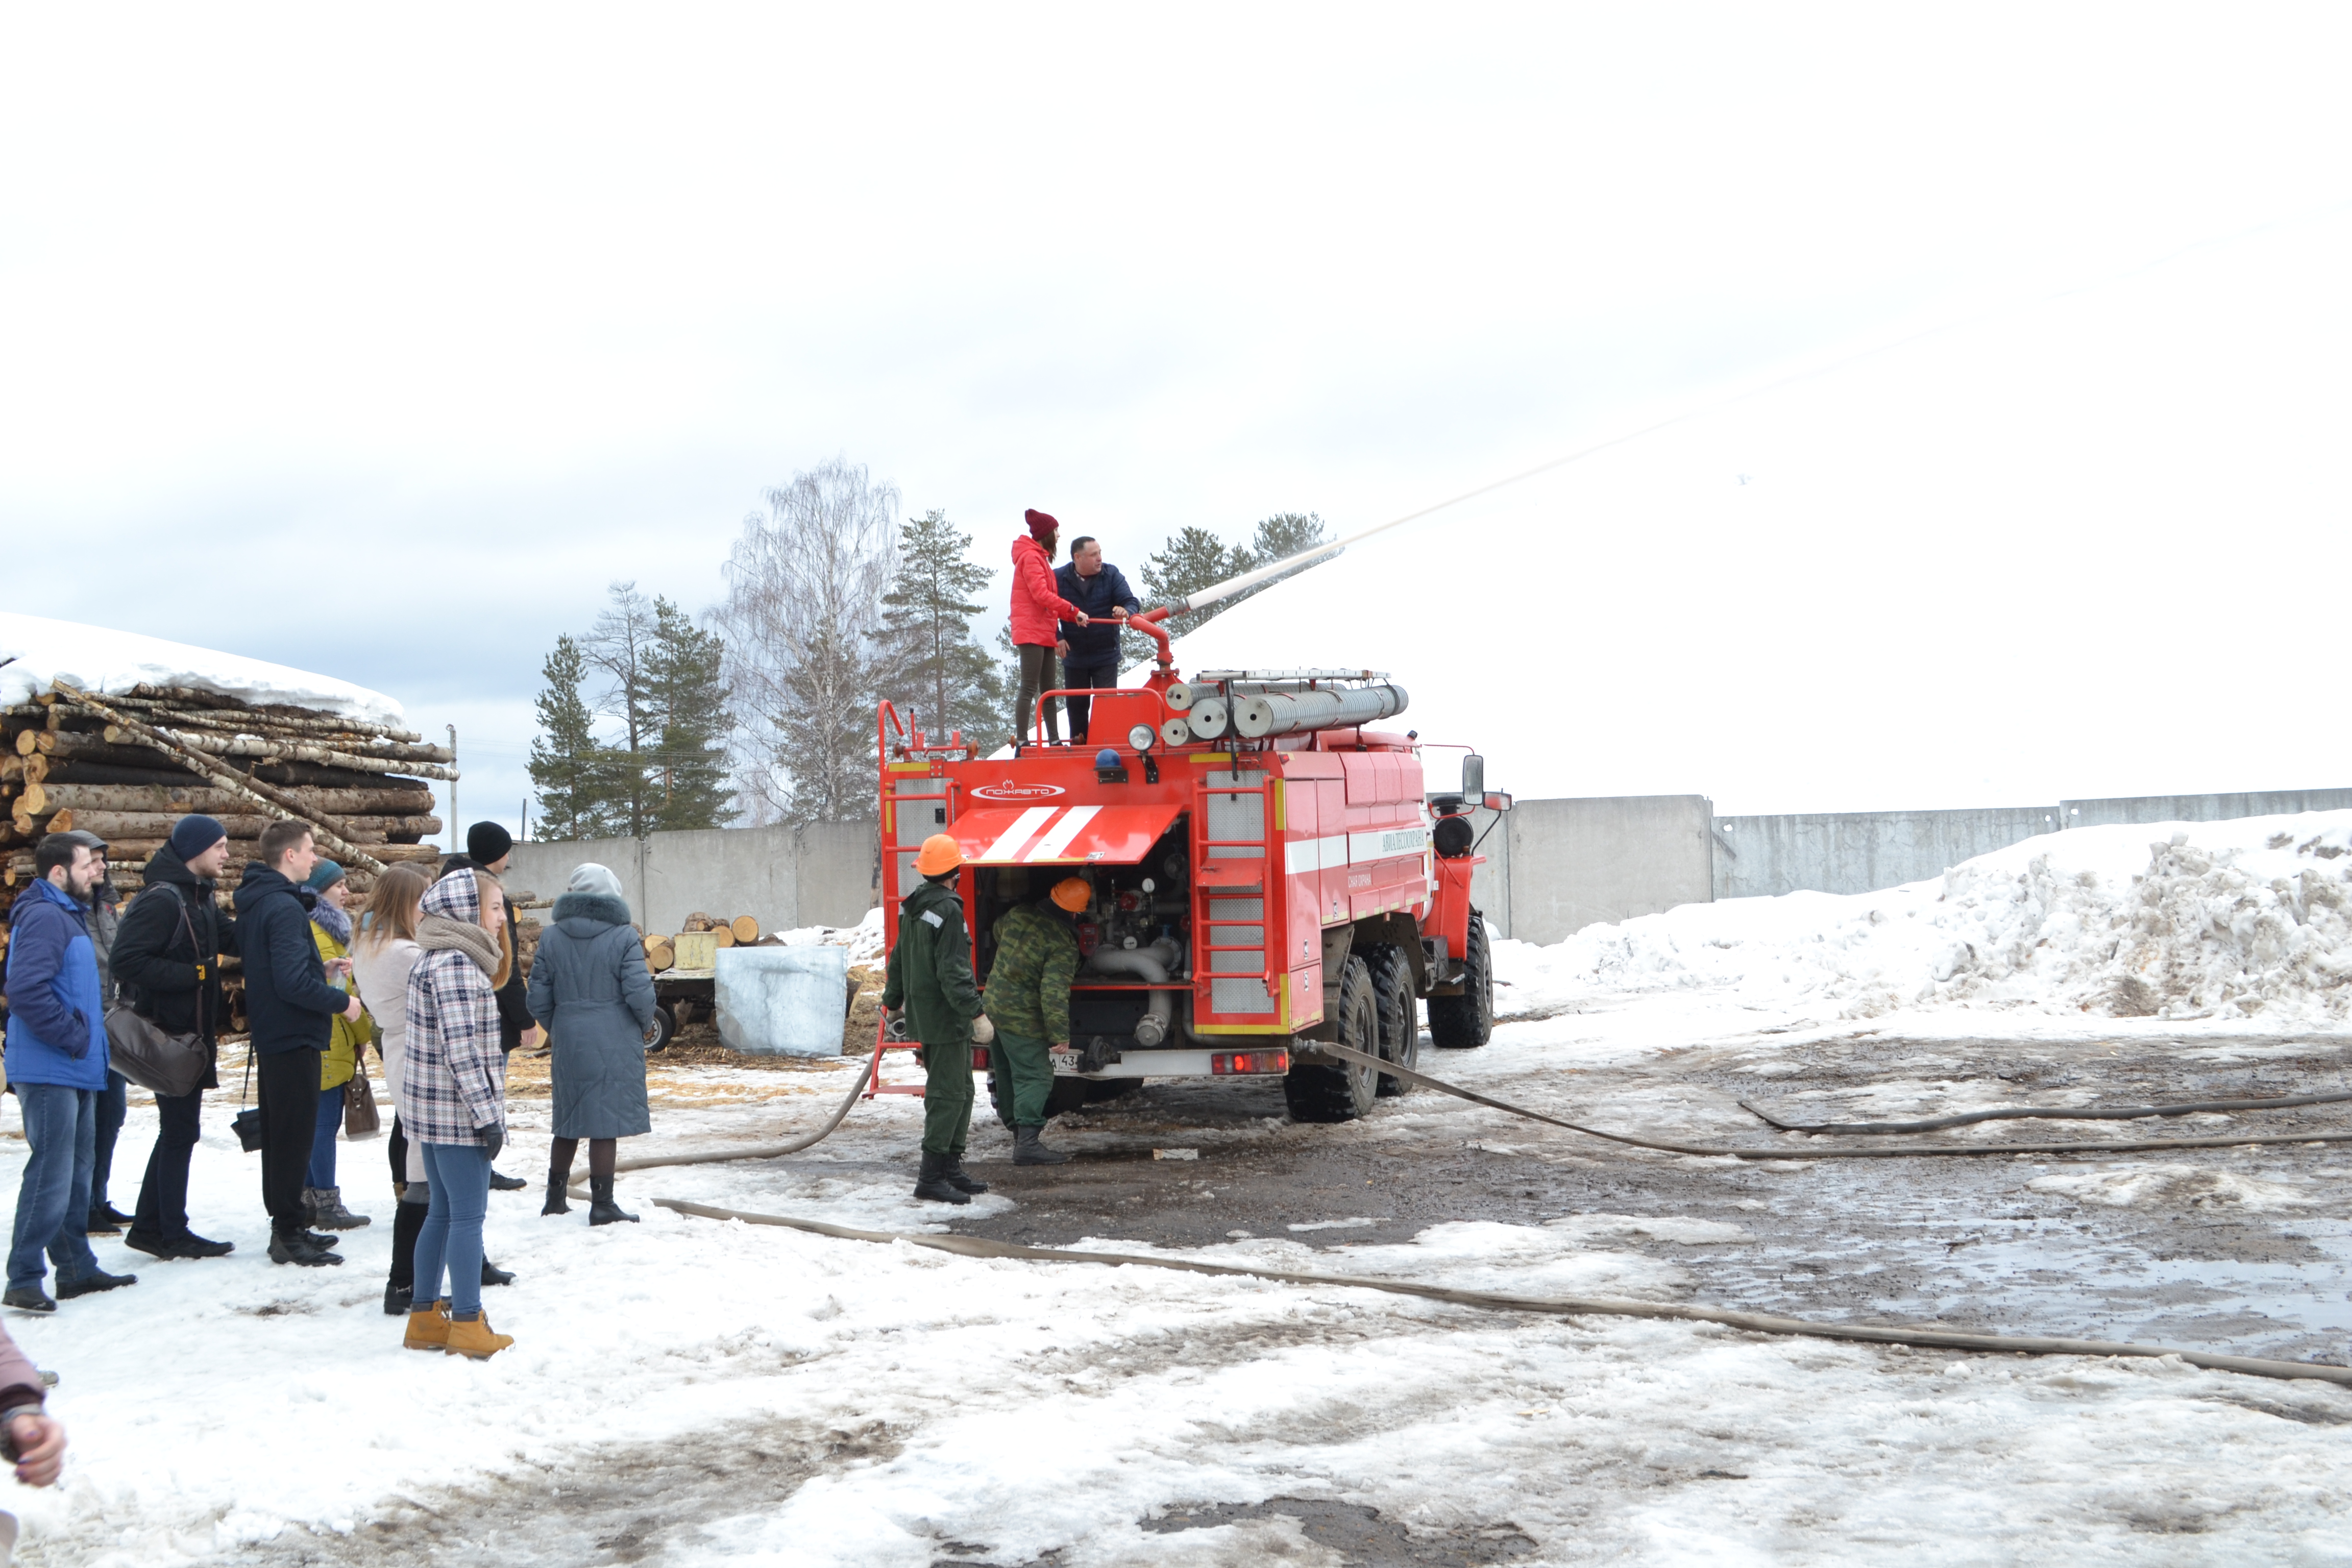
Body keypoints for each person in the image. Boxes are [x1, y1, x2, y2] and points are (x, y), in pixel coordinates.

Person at [3, 834, 135, 1310]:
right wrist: (77, 1036)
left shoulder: (70, 915)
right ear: (59, 872)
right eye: (89, 865)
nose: (98, 871)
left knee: (77, 1174)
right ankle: (23, 1275)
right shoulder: (43, 916)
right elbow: (25, 992)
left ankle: (76, 1267)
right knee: (51, 1175)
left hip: (77, 1066)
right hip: (49, 1067)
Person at [235, 819, 366, 1267]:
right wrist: (340, 1002)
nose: (315, 858)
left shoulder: (262, 901)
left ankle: (291, 1223)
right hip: (292, 1035)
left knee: (283, 1137)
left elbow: (277, 972)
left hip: (277, 1032)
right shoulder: (284, 907)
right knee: (292, 1138)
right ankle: (288, 1233)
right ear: (289, 855)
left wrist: (321, 972)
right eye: (310, 850)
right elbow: (290, 983)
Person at [399, 868, 516, 1359]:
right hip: (458, 1114)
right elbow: (463, 1051)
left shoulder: (433, 959)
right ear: (466, 910)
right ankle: (468, 1321)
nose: (501, 920)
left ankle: (426, 1318)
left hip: (432, 1113)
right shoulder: (459, 966)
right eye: (494, 908)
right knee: (468, 1218)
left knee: (442, 1214)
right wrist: (488, 1116)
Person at [113, 815, 237, 1262]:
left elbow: (234, 937)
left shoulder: (199, 898)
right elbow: (126, 960)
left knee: (179, 1131)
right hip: (169, 1037)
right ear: (195, 851)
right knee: (179, 1131)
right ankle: (169, 1230)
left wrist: (282, 911)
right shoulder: (163, 901)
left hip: (192, 1036)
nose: (227, 854)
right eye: (220, 846)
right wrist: (197, 974)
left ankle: (152, 1227)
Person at [526, 863, 657, 1224]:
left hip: (569, 1039)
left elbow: (536, 998)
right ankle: (603, 1204)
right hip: (614, 1038)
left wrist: (563, 1025)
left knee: (567, 1119)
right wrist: (643, 1026)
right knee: (605, 1122)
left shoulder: (550, 937)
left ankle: (554, 1199)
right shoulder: (624, 936)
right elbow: (640, 994)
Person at [881, 835, 992, 1204]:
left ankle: (949, 1168)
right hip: (946, 1017)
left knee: (963, 1090)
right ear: (955, 871)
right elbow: (954, 971)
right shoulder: (948, 910)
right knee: (947, 1095)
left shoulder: (913, 907)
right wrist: (976, 1012)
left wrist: (893, 1001)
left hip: (931, 1014)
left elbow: (898, 958)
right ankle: (930, 1177)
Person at [440, 822, 541, 1196]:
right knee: (485, 1093)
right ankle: (483, 1166)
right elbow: (505, 965)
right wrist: (524, 1017)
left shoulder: (447, 888)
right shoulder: (487, 897)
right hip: (488, 1015)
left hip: (460, 1013)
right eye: (507, 851)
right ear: (496, 853)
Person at [352, 863, 431, 1314]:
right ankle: (402, 1282)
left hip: (403, 1053)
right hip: (416, 1058)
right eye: (423, 899)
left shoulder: (373, 944)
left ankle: (417, 1277)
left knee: (426, 1169)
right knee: (424, 1177)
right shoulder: (403, 953)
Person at [979, 874, 1089, 1167]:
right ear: (1077, 913)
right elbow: (1053, 993)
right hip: (1021, 1017)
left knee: (1006, 1072)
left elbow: (998, 930)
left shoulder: (1017, 915)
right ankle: (1027, 1144)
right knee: (1036, 1076)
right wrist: (1059, 1035)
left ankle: (1018, 1133)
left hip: (993, 1009)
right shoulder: (1063, 944)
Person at [301, 861, 373, 1232]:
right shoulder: (320, 935)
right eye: (338, 886)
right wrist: (363, 1033)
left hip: (333, 1041)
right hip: (329, 1041)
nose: (346, 891)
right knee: (323, 1126)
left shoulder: (325, 931)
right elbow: (342, 993)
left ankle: (311, 1199)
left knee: (318, 1125)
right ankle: (327, 1201)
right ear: (319, 891)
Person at [77, 839, 134, 1238]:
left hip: (112, 1022)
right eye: (93, 861)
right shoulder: (68, 908)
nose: (100, 867)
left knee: (111, 1115)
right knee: (88, 1122)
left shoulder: (107, 905)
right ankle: (81, 1207)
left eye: (102, 860)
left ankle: (98, 1198)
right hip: (84, 1024)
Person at [1009, 507, 1089, 748]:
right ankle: (1023, 740)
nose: (1059, 536)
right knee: (1029, 687)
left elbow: (1049, 600)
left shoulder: (1040, 558)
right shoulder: (1032, 558)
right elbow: (1041, 595)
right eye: (1056, 531)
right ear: (1046, 534)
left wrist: (1070, 615)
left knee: (1049, 691)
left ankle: (1053, 740)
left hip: (1043, 631)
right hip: (1031, 632)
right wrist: (1074, 611)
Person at [1053, 535, 1138, 744]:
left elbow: (1131, 601)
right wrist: (1057, 637)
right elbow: (1044, 610)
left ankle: (1106, 747)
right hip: (1075, 655)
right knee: (1076, 706)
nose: (1099, 558)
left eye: (1100, 553)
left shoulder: (1111, 574)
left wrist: (1126, 611)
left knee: (1106, 705)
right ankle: (1079, 747)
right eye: (1093, 555)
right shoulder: (1058, 577)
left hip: (1106, 655)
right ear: (1077, 558)